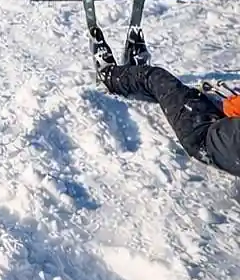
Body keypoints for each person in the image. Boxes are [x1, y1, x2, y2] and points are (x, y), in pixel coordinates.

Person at [91, 36, 240, 179]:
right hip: (224, 140)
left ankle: (109, 75)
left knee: (156, 78)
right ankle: (133, 73)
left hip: (202, 135)